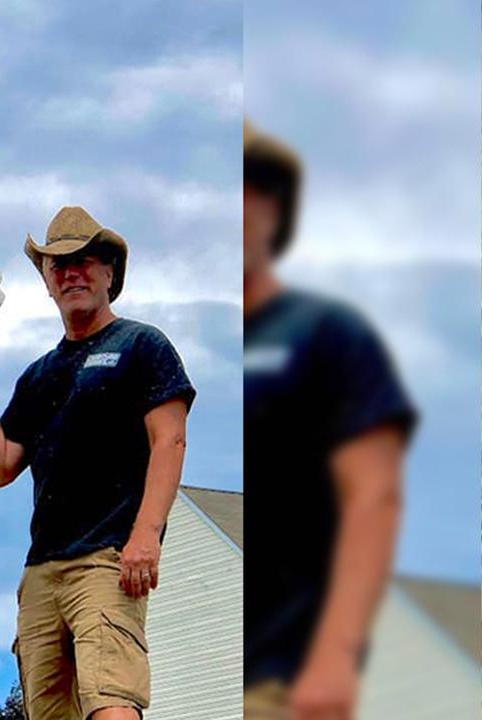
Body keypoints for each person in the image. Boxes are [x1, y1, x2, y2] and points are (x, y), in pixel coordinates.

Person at [0, 206, 195, 720]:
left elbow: (169, 441)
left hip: (107, 560)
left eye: (85, 261)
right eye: (57, 265)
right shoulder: (39, 375)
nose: (71, 273)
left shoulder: (142, 346)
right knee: (47, 712)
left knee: (110, 697)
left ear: (110, 272)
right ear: (46, 282)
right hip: (42, 570)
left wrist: (145, 537)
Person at [242, 121, 416, 720]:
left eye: (252, 187)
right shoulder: (165, 354)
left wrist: (337, 655)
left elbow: (375, 494)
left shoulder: (327, 332)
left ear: (274, 208)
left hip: (288, 676)